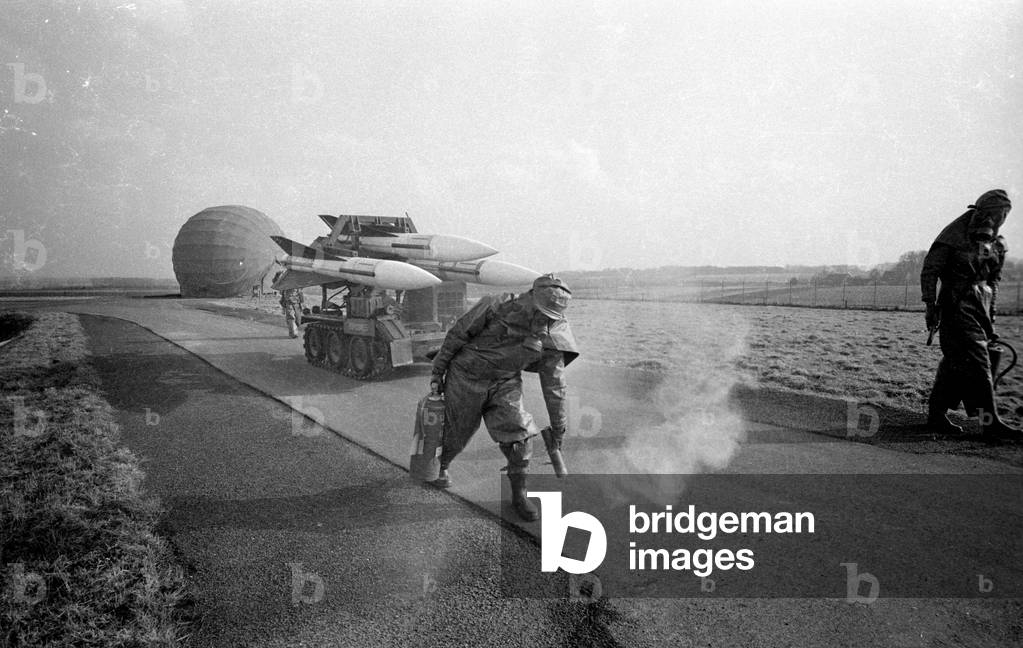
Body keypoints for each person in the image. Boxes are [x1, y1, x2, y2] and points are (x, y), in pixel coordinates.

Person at [429, 274, 579, 521]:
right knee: (458, 433)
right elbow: (457, 334)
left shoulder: (555, 333)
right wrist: (438, 371)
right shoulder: (495, 305)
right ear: (529, 296)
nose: (542, 321)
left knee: (520, 437)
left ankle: (519, 494)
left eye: (549, 317)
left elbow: (555, 385)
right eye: (540, 312)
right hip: (466, 375)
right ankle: (441, 466)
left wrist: (559, 428)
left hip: (505, 381)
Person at [921, 189, 1018, 439]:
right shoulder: (953, 236)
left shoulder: (996, 244)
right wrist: (930, 305)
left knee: (955, 364)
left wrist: (991, 317)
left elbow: (993, 281)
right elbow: (930, 271)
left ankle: (936, 415)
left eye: (1003, 216)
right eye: (995, 214)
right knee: (979, 363)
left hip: (980, 310)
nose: (998, 221)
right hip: (956, 307)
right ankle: (990, 423)